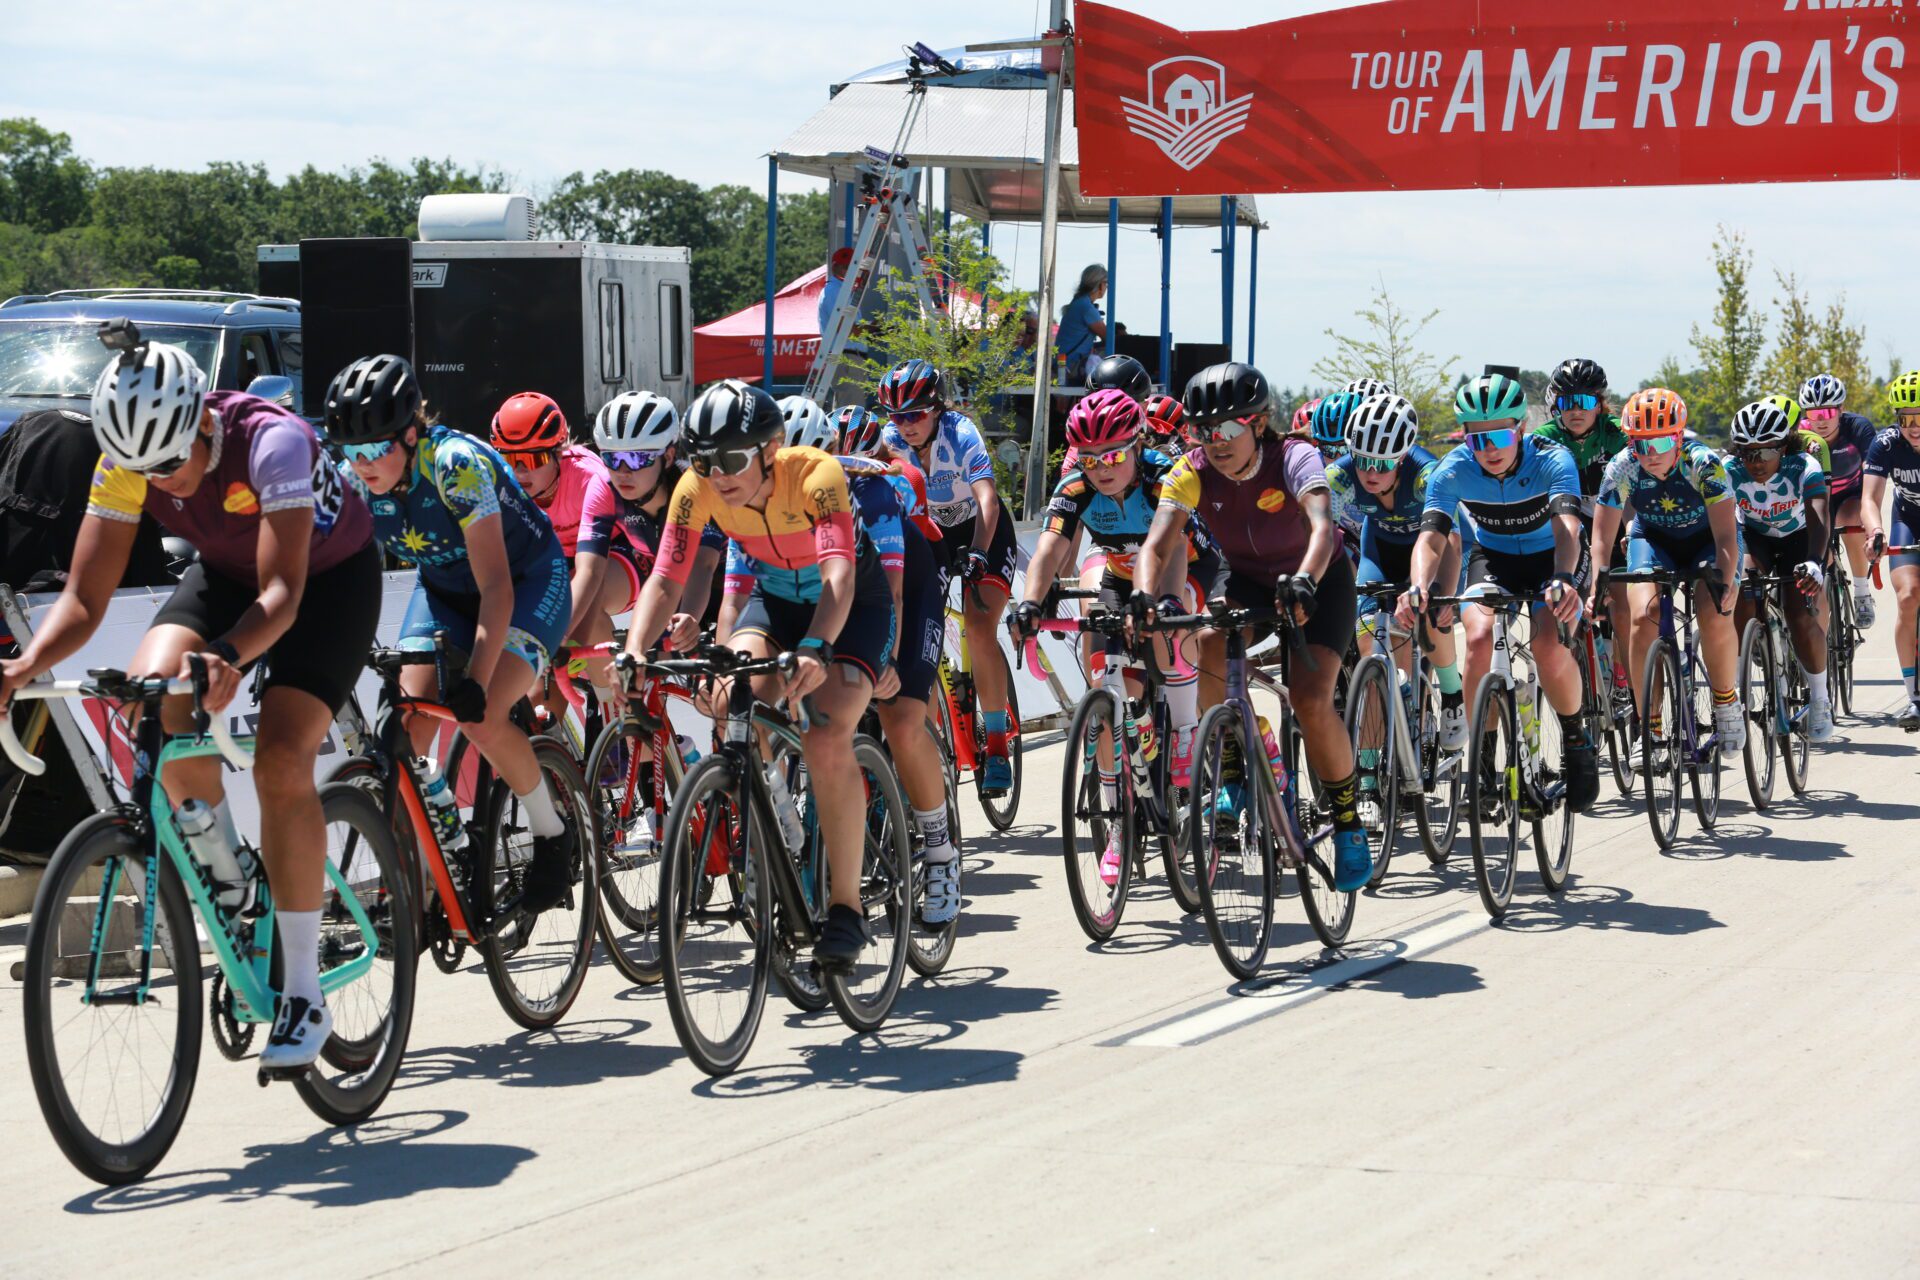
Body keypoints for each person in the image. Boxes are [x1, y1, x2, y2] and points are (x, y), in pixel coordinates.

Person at [1, 324, 382, 1071]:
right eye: (147, 471)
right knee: (148, 697)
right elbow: (84, 595)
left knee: (279, 760)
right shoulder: (128, 462)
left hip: (323, 582)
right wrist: (21, 667)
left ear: (201, 422)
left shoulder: (271, 443)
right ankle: (228, 875)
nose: (165, 481)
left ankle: (302, 987)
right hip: (226, 574)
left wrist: (229, 656)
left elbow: (282, 593)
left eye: (174, 461)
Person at [619, 381, 894, 970]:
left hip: (847, 606)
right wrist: (638, 649)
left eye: (732, 459)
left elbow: (839, 576)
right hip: (774, 602)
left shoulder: (815, 474)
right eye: (703, 460)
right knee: (726, 696)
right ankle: (774, 810)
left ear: (771, 449)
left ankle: (847, 910)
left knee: (827, 733)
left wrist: (819, 646)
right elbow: (667, 579)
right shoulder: (696, 490)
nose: (718, 475)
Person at [332, 355, 581, 914]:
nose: (364, 465)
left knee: (483, 712)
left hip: (525, 581)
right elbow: (327, 573)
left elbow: (497, 587)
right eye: (352, 452)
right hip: (444, 591)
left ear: (411, 433)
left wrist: (476, 677)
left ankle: (552, 832)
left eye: (375, 449)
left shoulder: (455, 465)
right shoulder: (355, 482)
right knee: (406, 725)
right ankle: (426, 873)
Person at [1134, 361, 1372, 892]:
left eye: (1227, 429)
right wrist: (1143, 596)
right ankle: (1238, 768)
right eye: (1203, 430)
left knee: (1311, 702)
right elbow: (1156, 544)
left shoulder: (1295, 456)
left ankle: (1350, 823)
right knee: (1207, 644)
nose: (1214, 442)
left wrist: (1307, 580)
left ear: (1258, 424)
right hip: (1248, 578)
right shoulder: (1190, 471)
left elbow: (1320, 525)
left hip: (1319, 578)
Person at [1013, 389, 1217, 882]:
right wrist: (1028, 605)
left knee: (1170, 627)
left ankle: (1186, 736)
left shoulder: (1164, 477)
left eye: (1114, 456)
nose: (1102, 468)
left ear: (1138, 443)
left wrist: (1158, 606)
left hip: (1182, 563)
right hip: (1122, 572)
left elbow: (1172, 557)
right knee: (1108, 683)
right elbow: (1047, 551)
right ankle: (1117, 822)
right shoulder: (1076, 488)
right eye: (1089, 458)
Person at [785, 397, 960, 924]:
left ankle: (939, 853)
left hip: (902, 587)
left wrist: (886, 664)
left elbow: (894, 593)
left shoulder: (872, 493)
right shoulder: (762, 499)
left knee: (902, 720)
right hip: (834, 595)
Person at [1396, 372, 1600, 815]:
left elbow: (1567, 527)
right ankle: (1483, 761)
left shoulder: (1553, 458)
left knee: (1548, 646)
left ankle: (1575, 738)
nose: (1488, 449)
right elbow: (1431, 538)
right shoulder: (1452, 470)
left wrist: (1564, 577)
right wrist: (1417, 586)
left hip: (1554, 559)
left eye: (1500, 436)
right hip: (1495, 557)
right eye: (1476, 440)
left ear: (1521, 428)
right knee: (1477, 636)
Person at [876, 358, 1018, 795]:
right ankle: (935, 749)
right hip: (933, 538)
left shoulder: (960, 432)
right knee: (924, 638)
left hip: (982, 531)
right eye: (898, 416)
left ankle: (996, 747)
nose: (907, 424)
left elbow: (988, 500)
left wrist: (977, 551)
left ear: (936, 408)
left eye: (915, 413)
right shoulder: (889, 441)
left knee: (978, 629)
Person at [1585, 388, 1745, 755]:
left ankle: (1725, 702)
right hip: (1654, 536)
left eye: (1659, 442)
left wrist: (1727, 576)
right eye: (1641, 444)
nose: (1650, 454)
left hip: (1709, 539)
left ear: (1677, 437)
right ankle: (1649, 727)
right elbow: (1602, 535)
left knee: (1714, 610)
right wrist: (1599, 582)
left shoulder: (1704, 463)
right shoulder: (1622, 466)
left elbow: (1724, 533)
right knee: (1644, 617)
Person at [1330, 393, 1468, 760]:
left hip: (1437, 550)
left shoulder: (1427, 476)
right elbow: (1309, 529)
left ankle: (1452, 694)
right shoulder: (1340, 476)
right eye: (1363, 462)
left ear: (1402, 457)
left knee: (1429, 620)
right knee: (1372, 656)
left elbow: (1452, 540)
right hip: (1381, 549)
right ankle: (1372, 768)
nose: (1371, 473)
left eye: (1382, 464)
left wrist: (1444, 595)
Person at [490, 391, 625, 706]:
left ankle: (622, 722)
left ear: (558, 452)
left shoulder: (589, 478)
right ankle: (551, 750)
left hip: (614, 554)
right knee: (539, 697)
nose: (520, 472)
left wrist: (563, 635)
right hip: (563, 562)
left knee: (588, 604)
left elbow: (590, 572)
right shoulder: (502, 486)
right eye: (509, 460)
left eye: (533, 459)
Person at [1723, 396, 1834, 742]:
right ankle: (1756, 647)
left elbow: (1819, 520)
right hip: (1755, 537)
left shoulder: (1804, 466)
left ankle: (1820, 698)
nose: (1756, 462)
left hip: (1799, 538)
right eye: (1747, 452)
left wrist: (1815, 562)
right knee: (1743, 587)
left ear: (1784, 447)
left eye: (1767, 452)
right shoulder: (1727, 470)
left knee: (1799, 613)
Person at [1533, 357, 1632, 703]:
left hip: (1613, 519)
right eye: (1567, 402)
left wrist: (1631, 530)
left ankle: (1621, 677)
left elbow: (1634, 488)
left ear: (1599, 404)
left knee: (1621, 600)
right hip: (1568, 523)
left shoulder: (1616, 434)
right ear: (1555, 404)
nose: (1576, 411)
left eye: (1585, 402)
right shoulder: (1544, 439)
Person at [591, 390, 723, 640]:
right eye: (611, 457)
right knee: (650, 662)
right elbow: (589, 571)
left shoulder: (694, 485)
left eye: (636, 458)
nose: (622, 471)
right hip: (666, 581)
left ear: (669, 456)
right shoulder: (605, 487)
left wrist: (690, 617)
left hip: (719, 581)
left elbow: (703, 564)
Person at [1798, 373, 1881, 629]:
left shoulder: (1858, 428)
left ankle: (1861, 592)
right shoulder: (1800, 435)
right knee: (1821, 551)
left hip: (1850, 496)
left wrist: (1872, 522)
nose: (1820, 422)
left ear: (1841, 410)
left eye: (1827, 413)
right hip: (1816, 498)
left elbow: (1873, 474)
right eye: (1813, 414)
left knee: (1850, 518)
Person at [1861, 371, 1920, 727]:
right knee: (1909, 596)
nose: (1912, 426)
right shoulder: (1885, 444)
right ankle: (1915, 697)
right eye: (1905, 419)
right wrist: (1876, 531)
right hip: (1907, 520)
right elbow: (1869, 498)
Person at [1055, 264, 1109, 380]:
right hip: (1071, 364)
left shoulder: (1079, 302)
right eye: (1106, 283)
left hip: (1062, 362)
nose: (1106, 287)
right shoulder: (1086, 307)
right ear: (1099, 284)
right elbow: (1109, 338)